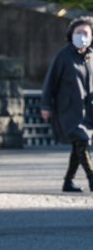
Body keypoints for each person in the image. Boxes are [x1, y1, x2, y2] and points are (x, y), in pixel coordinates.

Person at [41, 16, 93, 193]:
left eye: (86, 33)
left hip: (87, 110)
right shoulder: (63, 55)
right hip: (68, 109)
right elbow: (50, 82)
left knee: (79, 144)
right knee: (81, 139)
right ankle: (91, 176)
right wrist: (45, 105)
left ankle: (68, 181)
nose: (82, 36)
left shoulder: (91, 56)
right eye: (79, 32)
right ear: (71, 34)